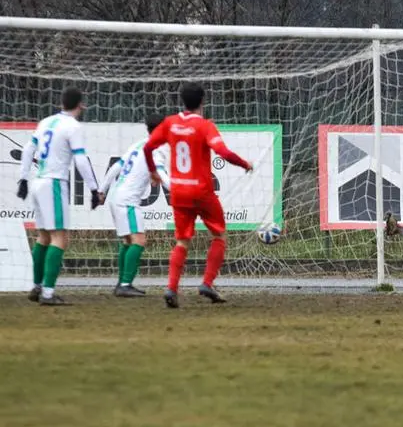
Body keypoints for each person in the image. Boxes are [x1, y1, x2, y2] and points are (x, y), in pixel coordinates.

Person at [143, 83, 253, 309]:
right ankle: (207, 283)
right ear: (203, 101)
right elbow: (223, 152)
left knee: (182, 240)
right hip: (201, 190)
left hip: (179, 191)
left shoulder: (170, 123)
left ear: (182, 101)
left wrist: (153, 171)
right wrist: (245, 164)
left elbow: (148, 148)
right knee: (220, 235)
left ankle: (171, 288)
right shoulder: (204, 126)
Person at [16, 87, 101, 305]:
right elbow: (80, 160)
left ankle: (37, 287)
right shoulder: (73, 126)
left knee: (43, 237)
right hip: (54, 183)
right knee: (60, 238)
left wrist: (23, 179)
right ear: (81, 105)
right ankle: (48, 293)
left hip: (38, 181)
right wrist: (93, 189)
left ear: (61, 103)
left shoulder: (46, 122)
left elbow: (27, 150)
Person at [98, 113, 170, 297]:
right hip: (128, 200)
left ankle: (121, 283)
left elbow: (116, 167)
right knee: (139, 240)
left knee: (128, 240)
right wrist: (178, 191)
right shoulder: (157, 149)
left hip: (116, 196)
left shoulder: (138, 144)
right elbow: (161, 174)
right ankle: (125, 284)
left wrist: (102, 190)